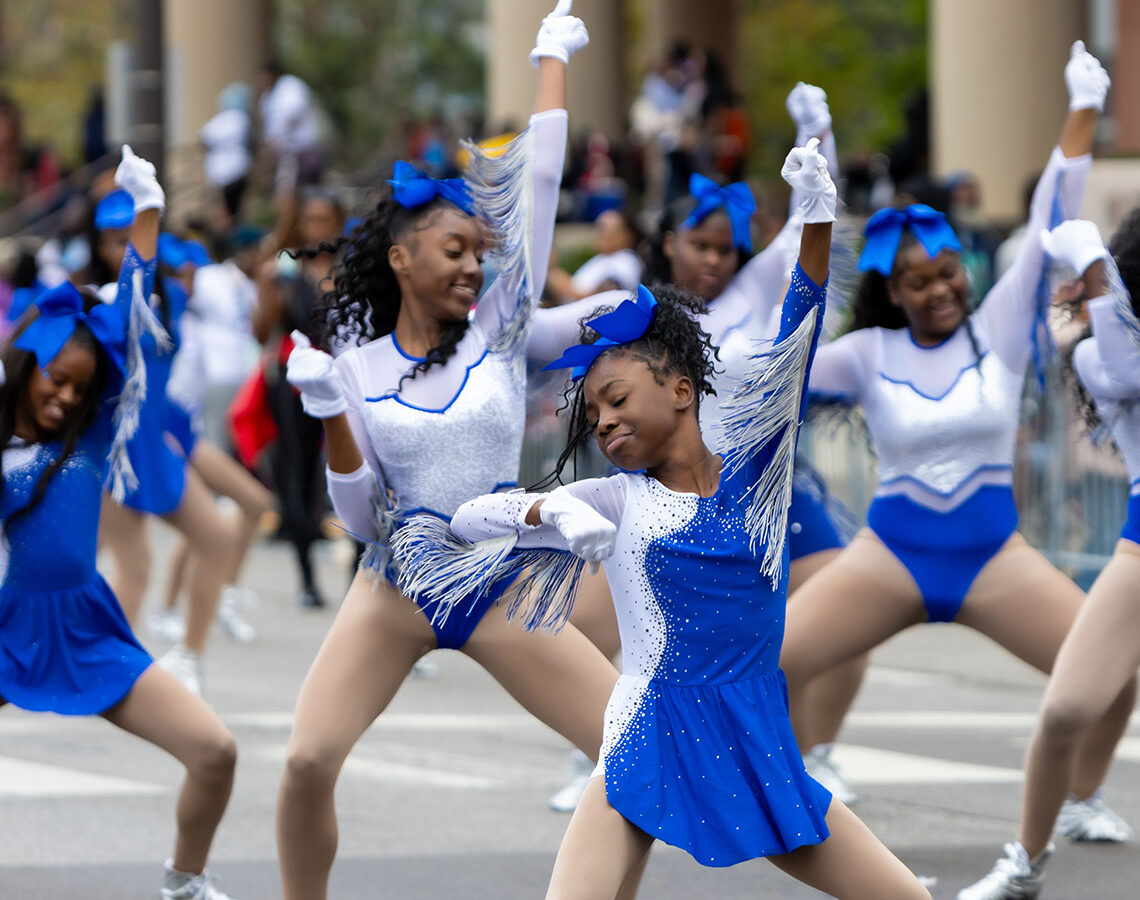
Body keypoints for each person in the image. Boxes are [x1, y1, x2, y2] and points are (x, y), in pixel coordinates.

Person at [404, 140, 929, 900]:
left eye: (618, 400)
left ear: (682, 390)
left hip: (754, 741)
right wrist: (549, 506)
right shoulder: (614, 502)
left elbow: (800, 330)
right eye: (593, 416)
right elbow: (467, 518)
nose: (605, 423)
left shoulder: (760, 471)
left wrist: (816, 216)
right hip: (647, 734)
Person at [273, 8, 650, 900]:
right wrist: (329, 412)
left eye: (480, 253)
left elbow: (541, 181)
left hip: (503, 583)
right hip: (393, 589)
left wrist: (549, 60)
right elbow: (360, 518)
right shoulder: (355, 369)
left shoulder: (501, 329)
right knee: (303, 762)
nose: (474, 268)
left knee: (634, 752)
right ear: (401, 257)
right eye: (454, 251)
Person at [778, 40, 1136, 843]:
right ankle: (779, 779)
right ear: (892, 291)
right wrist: (812, 203)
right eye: (918, 281)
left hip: (992, 559)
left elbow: (1051, 215)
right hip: (891, 558)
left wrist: (1081, 109)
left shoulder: (1000, 332)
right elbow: (778, 365)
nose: (939, 290)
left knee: (1112, 674)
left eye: (947, 273)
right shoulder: (868, 354)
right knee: (764, 663)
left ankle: (1080, 799)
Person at [0, 146, 238, 900]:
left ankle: (184, 881)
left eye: (79, 386)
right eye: (55, 382)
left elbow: (136, 319)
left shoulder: (94, 435)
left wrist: (148, 212)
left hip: (91, 629)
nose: (66, 398)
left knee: (215, 750)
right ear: (25, 367)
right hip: (10, 629)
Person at [958, 214, 1140, 899]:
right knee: (1066, 710)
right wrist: (1097, 270)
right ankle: (1025, 865)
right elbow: (1126, 364)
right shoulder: (1099, 353)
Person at [93, 202, 242, 696]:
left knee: (218, 538)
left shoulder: (173, 298)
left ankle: (189, 657)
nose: (127, 250)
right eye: (116, 241)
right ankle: (104, 666)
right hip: (116, 451)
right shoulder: (106, 301)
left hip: (157, 444)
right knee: (133, 569)